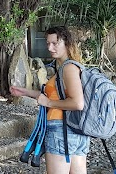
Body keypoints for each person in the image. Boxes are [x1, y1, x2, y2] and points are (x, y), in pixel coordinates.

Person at [10, 26, 88, 174]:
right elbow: (53, 94)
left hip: (61, 131)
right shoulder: (70, 66)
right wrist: (24, 92)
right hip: (76, 132)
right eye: (48, 43)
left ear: (67, 43)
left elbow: (77, 103)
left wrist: (49, 104)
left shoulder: (68, 68)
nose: (50, 47)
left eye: (55, 43)